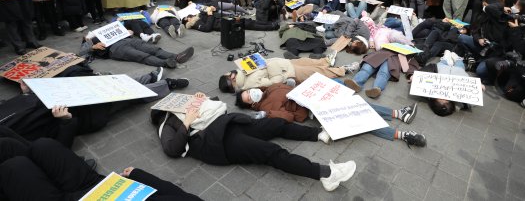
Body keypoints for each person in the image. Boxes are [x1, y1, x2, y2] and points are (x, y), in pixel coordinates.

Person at [151, 108, 356, 192]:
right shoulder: (165, 124)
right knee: (272, 152)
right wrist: (186, 122)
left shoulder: (184, 106)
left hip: (230, 124)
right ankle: (326, 174)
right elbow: (172, 149)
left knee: (275, 124)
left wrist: (198, 101)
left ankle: (316, 134)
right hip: (219, 142)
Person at [1, 66, 187, 148]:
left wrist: (25, 92)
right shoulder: (14, 142)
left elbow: (22, 106)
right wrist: (66, 121)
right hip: (84, 111)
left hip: (71, 92)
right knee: (126, 97)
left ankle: (150, 78)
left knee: (113, 83)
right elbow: (57, 147)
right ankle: (166, 84)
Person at [0, 137, 203, 200]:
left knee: (15, 168)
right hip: (105, 189)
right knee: (44, 146)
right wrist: (138, 174)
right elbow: (177, 195)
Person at [235, 84, 427, 148]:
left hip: (316, 95)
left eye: (249, 91)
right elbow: (289, 117)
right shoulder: (266, 108)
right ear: (251, 104)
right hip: (312, 110)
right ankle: (402, 135)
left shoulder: (269, 87)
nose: (253, 93)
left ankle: (399, 114)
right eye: (249, 97)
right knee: (358, 118)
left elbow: (293, 85)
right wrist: (268, 113)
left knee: (359, 103)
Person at [218, 57, 360, 93]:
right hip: (289, 72)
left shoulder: (243, 70)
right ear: (231, 78)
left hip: (286, 63)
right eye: (229, 74)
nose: (231, 72)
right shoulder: (249, 84)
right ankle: (344, 70)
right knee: (318, 72)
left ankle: (326, 61)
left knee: (311, 62)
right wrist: (272, 66)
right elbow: (275, 82)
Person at [79, 33, 194, 69]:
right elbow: (79, 54)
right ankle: (166, 63)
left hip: (128, 40)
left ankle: (177, 56)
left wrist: (127, 31)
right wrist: (92, 47)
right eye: (87, 35)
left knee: (153, 49)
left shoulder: (102, 31)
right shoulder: (88, 42)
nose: (89, 33)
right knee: (141, 55)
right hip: (115, 49)